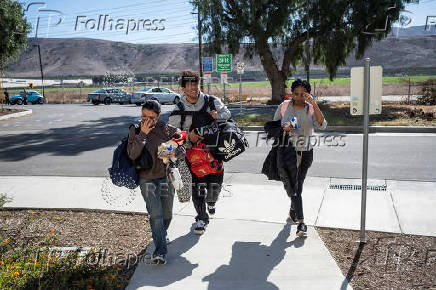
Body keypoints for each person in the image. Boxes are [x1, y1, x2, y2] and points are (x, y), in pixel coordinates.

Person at [169, 70, 231, 235]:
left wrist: (217, 116)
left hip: (214, 153)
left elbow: (227, 114)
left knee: (215, 186)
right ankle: (201, 218)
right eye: (188, 85)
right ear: (183, 88)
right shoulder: (179, 108)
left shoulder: (211, 101)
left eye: (195, 84)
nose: (193, 88)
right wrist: (188, 136)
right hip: (193, 156)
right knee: (197, 187)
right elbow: (173, 132)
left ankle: (211, 201)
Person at [127, 100, 186, 265]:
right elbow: (132, 154)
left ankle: (161, 233)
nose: (146, 120)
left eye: (151, 118)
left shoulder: (166, 129)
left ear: (158, 116)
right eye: (144, 116)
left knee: (167, 214)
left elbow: (182, 148)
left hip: (166, 177)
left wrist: (174, 152)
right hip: (146, 179)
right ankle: (160, 251)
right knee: (156, 215)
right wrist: (143, 134)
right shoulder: (136, 129)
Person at [273, 79, 327, 237]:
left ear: (308, 94)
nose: (298, 97)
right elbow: (271, 126)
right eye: (295, 93)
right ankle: (301, 223)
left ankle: (292, 210)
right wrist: (284, 128)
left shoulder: (310, 109)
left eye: (302, 94)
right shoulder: (284, 107)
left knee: (298, 185)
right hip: (288, 151)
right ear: (292, 93)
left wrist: (314, 105)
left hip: (306, 152)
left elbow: (322, 124)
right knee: (295, 186)